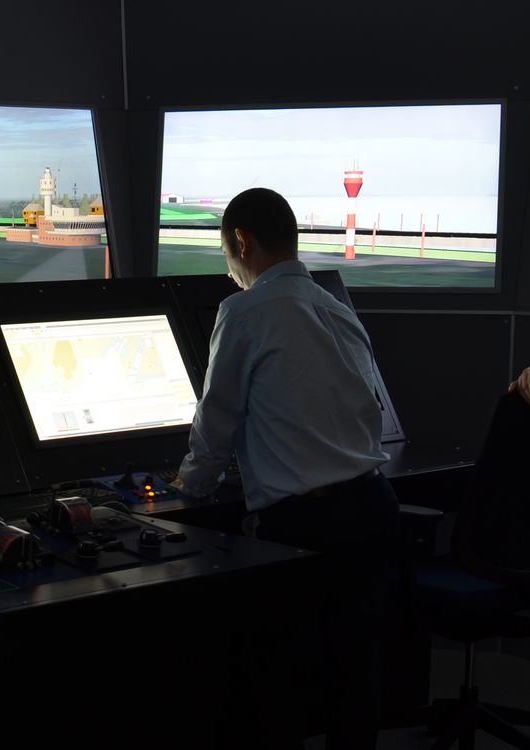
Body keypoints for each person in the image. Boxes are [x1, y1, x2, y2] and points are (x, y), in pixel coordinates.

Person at [169, 188, 397, 749]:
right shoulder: (336, 308)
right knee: (354, 675)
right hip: (372, 509)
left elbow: (217, 420)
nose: (229, 268)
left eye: (226, 254)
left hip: (303, 528)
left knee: (275, 677)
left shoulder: (243, 311)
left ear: (241, 242)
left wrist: (187, 486)